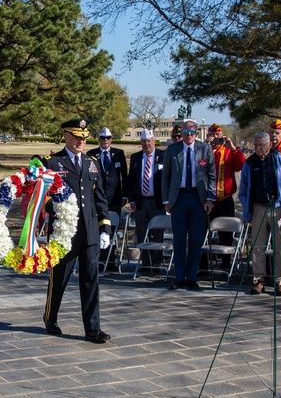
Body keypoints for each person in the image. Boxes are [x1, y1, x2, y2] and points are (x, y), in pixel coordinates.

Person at [43, 118, 112, 342]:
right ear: (66, 136)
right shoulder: (53, 163)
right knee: (59, 278)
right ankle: (51, 317)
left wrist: (105, 228)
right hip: (65, 232)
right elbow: (42, 199)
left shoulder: (92, 163)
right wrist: (56, 206)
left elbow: (100, 198)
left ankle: (93, 329)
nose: (81, 141)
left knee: (91, 279)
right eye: (76, 136)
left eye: (84, 137)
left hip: (90, 231)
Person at [239, 132, 281, 295]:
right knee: (258, 246)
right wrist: (247, 210)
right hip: (258, 207)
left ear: (269, 144)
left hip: (278, 208)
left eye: (261, 145)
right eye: (255, 145)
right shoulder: (250, 163)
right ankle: (258, 280)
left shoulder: (280, 159)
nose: (258, 148)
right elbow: (243, 189)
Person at [161, 119, 216, 290]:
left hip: (198, 199)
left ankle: (191, 277)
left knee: (196, 240)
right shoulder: (172, 149)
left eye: (192, 132)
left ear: (197, 133)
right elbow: (166, 176)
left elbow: (212, 175)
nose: (189, 135)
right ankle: (179, 277)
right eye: (186, 132)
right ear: (181, 133)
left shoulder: (205, 149)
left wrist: (210, 198)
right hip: (179, 198)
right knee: (178, 240)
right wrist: (166, 200)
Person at [206, 123, 245, 263]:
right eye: (211, 135)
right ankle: (204, 264)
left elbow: (241, 165)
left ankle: (225, 263)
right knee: (204, 233)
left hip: (225, 199)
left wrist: (233, 148)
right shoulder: (204, 149)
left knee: (226, 234)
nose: (214, 138)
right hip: (207, 199)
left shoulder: (228, 151)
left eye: (217, 135)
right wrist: (206, 147)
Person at [127, 129, 165, 269]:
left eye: (149, 141)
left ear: (154, 141)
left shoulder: (163, 155)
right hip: (140, 202)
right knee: (142, 232)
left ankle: (156, 263)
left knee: (157, 234)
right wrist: (132, 199)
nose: (146, 144)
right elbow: (131, 180)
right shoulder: (136, 157)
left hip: (158, 202)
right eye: (143, 142)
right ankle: (145, 262)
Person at [87, 126, 127, 216]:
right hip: (97, 196)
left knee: (113, 224)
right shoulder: (91, 154)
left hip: (115, 197)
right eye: (103, 138)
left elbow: (124, 176)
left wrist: (125, 196)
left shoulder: (119, 154)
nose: (105, 140)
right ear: (99, 139)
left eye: (108, 138)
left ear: (111, 139)